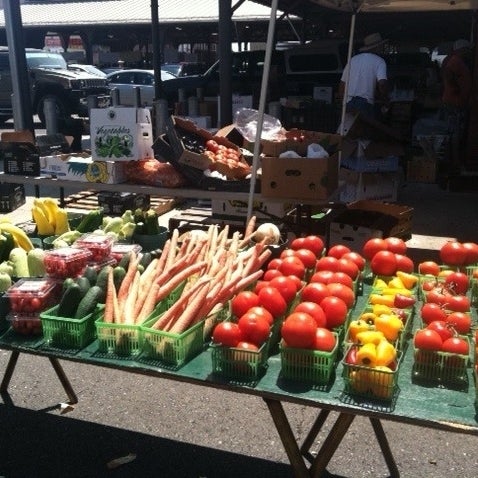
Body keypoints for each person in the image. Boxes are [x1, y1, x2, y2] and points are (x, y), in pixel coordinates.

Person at [338, 32, 390, 120]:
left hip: (348, 102)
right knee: (363, 131)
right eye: (381, 46)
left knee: (344, 131)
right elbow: (382, 84)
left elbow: (342, 84)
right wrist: (385, 100)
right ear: (377, 47)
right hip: (365, 103)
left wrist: (343, 103)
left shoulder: (353, 60)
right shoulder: (379, 61)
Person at [441, 38, 473, 169]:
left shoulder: (458, 61)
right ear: (461, 50)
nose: (468, 52)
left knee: (456, 131)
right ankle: (455, 162)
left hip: (457, 101)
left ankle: (455, 160)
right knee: (455, 132)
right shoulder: (455, 61)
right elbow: (448, 73)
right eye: (467, 50)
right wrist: (455, 88)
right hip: (455, 102)